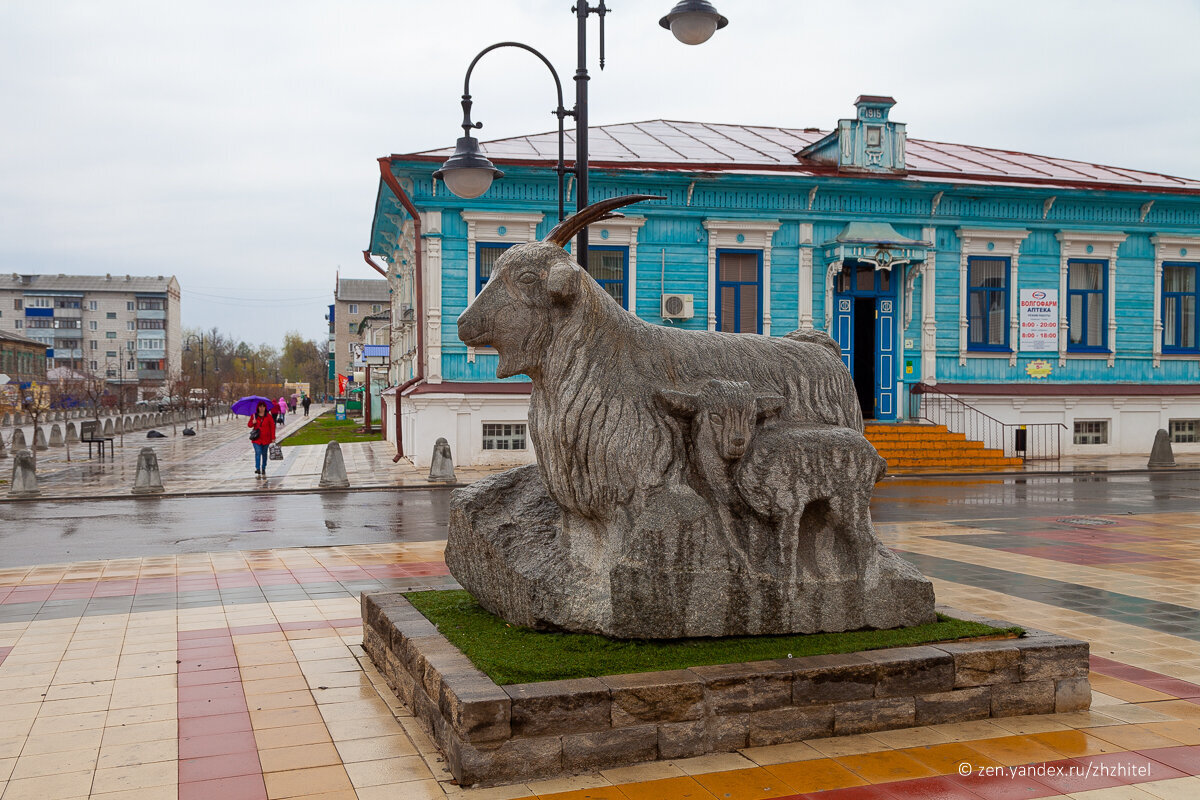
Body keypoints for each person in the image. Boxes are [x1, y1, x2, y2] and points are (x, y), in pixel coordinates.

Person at [248, 401, 276, 477]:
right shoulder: (254, 415)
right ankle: (257, 468)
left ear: (265, 407)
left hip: (266, 439)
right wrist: (253, 422)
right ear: (258, 407)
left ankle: (263, 467)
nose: (262, 408)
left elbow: (272, 427)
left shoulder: (268, 416)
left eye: (263, 406)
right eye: (260, 406)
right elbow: (249, 425)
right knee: (258, 452)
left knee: (264, 454)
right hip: (257, 439)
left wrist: (273, 437)